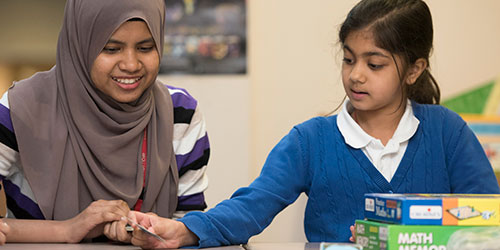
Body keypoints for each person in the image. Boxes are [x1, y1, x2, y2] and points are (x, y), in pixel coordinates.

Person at [128, 0, 500, 249]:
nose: (356, 76)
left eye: (374, 65)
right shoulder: (311, 141)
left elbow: (487, 220)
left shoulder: (448, 132)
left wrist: (410, 235)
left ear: (414, 69)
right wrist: (184, 229)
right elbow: (253, 205)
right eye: (349, 59)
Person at [0, 0, 209, 243]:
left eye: (145, 47)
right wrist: (68, 230)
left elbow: (189, 227)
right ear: (80, 45)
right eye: (111, 49)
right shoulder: (21, 108)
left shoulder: (180, 114)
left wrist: (152, 231)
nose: (131, 64)